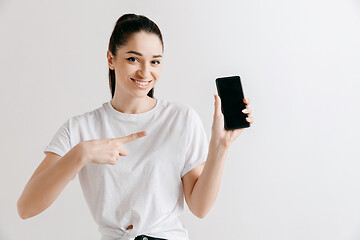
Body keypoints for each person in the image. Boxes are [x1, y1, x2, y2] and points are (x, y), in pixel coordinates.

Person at [17, 13, 254, 240]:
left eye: (155, 62)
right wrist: (82, 153)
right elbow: (26, 207)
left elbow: (200, 207)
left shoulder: (180, 118)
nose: (145, 71)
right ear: (111, 59)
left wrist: (220, 148)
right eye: (133, 58)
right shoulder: (80, 128)